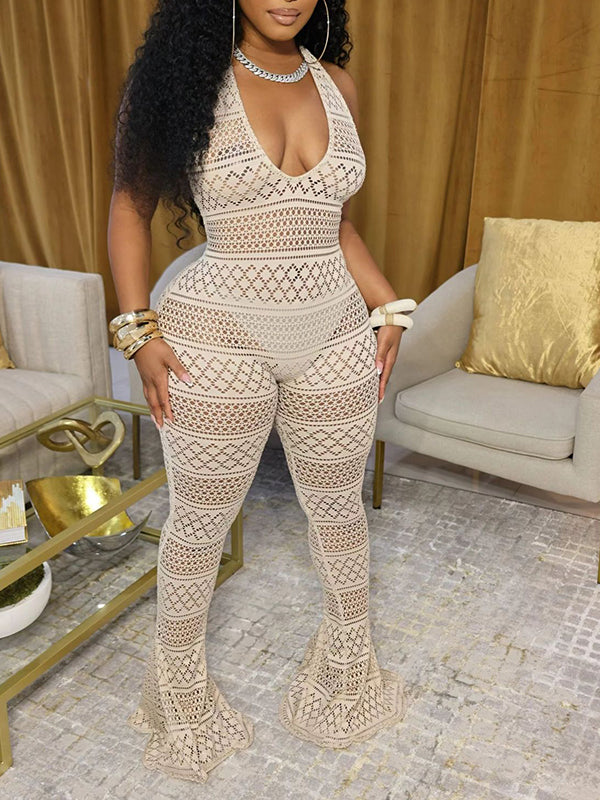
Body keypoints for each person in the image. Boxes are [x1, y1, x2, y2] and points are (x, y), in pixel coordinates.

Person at [107, 0, 409, 784]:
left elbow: (338, 226)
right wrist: (138, 329)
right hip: (216, 336)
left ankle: (348, 668)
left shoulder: (336, 84)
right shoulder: (182, 82)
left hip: (335, 327)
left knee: (339, 512)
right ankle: (180, 698)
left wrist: (388, 304)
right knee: (198, 527)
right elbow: (130, 207)